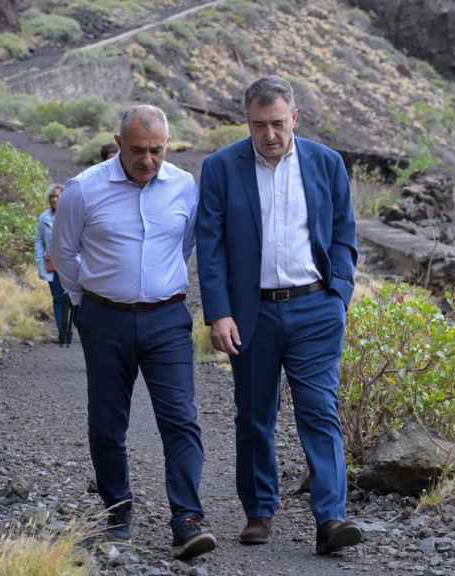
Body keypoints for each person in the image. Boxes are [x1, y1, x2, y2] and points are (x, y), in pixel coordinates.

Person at [196, 75, 361, 555]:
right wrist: (219, 313)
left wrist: (339, 293)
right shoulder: (222, 167)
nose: (269, 134)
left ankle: (331, 518)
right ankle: (259, 511)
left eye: (277, 123)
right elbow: (211, 247)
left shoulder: (326, 163)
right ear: (246, 122)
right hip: (252, 313)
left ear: (295, 118)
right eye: (258, 125)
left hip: (315, 307)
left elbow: (344, 234)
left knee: (320, 412)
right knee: (254, 415)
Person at [50, 105, 216, 560]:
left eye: (157, 150)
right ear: (119, 143)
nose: (148, 160)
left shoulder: (184, 186)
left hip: (167, 318)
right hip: (105, 319)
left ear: (168, 145)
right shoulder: (84, 190)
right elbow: (64, 254)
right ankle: (117, 513)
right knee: (107, 422)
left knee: (181, 418)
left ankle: (186, 519)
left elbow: (186, 245)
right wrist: (87, 304)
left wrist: (157, 284)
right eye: (139, 150)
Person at [35, 183, 70, 346]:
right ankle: (61, 331)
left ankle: (70, 326)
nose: (55, 199)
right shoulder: (44, 218)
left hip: (71, 265)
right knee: (58, 299)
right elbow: (39, 241)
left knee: (73, 300)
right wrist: (40, 263)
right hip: (52, 264)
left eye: (58, 196)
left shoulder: (72, 216)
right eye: (52, 196)